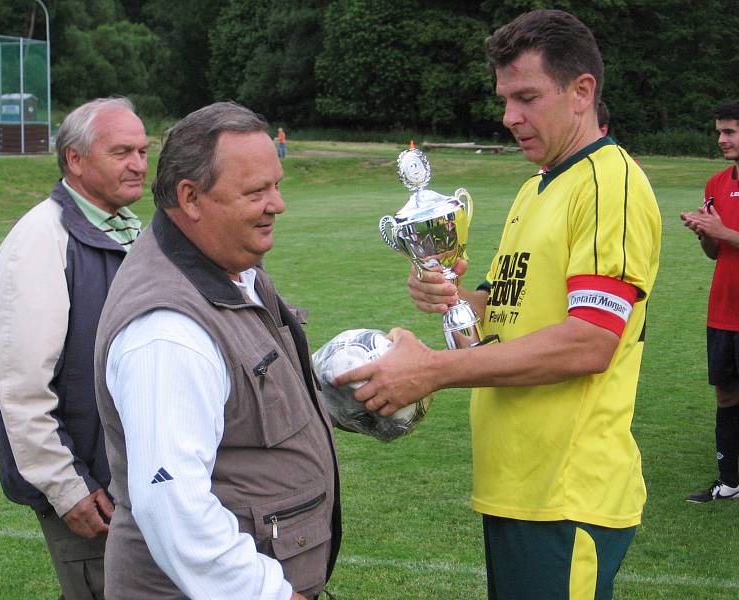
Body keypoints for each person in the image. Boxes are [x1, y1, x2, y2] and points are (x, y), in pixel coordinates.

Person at [336, 9, 661, 599]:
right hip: (518, 483)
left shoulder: (607, 183)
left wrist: (431, 369)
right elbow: (510, 308)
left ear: (582, 91)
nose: (510, 116)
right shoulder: (537, 185)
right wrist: (460, 299)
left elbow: (590, 340)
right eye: (505, 99)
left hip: (567, 492)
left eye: (528, 97)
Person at [93, 101, 341, 600]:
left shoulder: (231, 268)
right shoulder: (166, 331)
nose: (278, 204)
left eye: (277, 185)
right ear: (191, 197)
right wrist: (271, 595)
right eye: (256, 191)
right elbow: (172, 505)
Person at [0, 97, 148, 599]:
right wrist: (67, 488)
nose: (140, 164)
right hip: (92, 494)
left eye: (143, 150)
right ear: (75, 160)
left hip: (139, 483)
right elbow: (22, 390)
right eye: (122, 151)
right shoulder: (39, 241)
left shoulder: (133, 231)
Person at [680, 101, 739, 503]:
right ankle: (729, 481)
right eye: (719, 131)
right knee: (726, 394)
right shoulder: (715, 183)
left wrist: (723, 229)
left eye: (730, 131)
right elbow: (716, 254)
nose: (721, 139)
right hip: (722, 311)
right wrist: (705, 234)